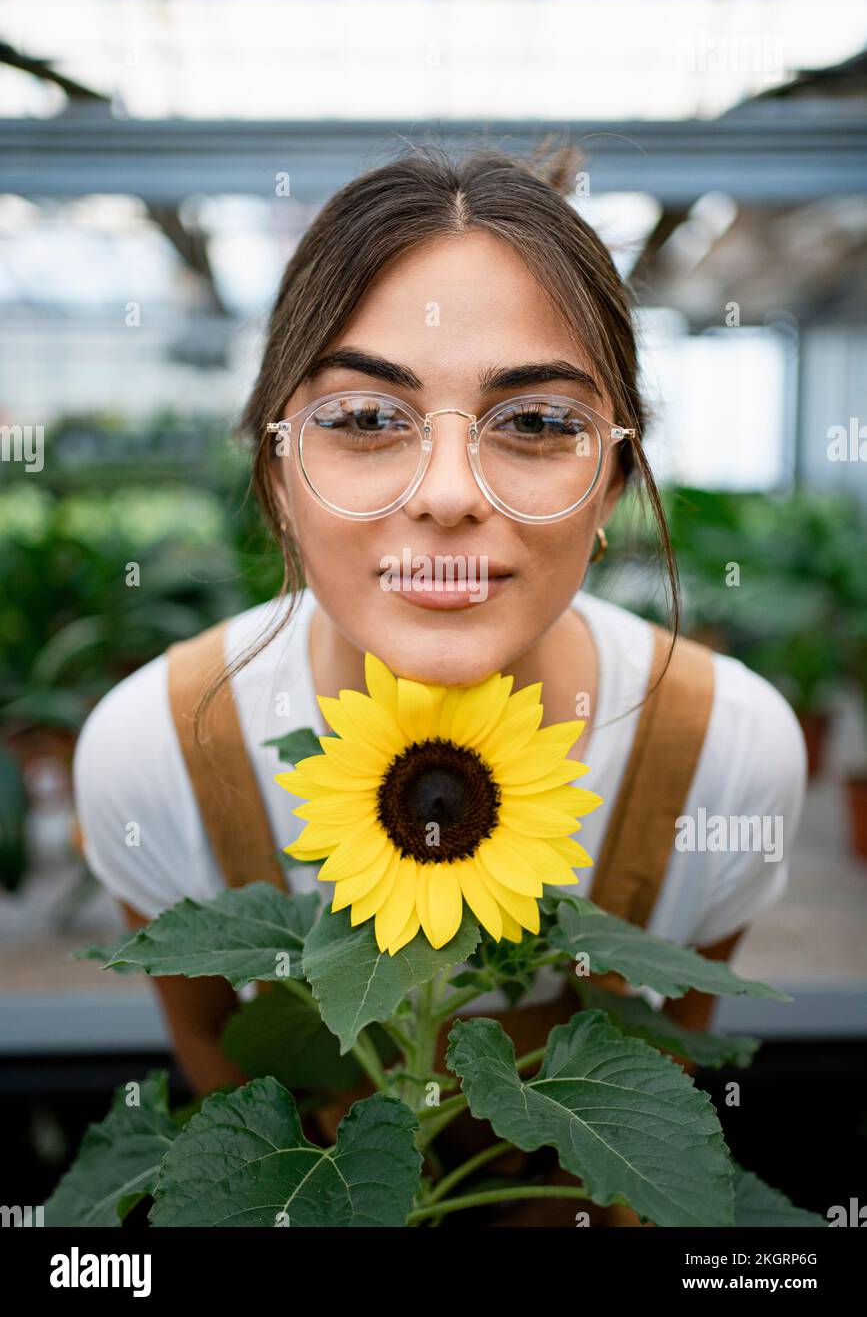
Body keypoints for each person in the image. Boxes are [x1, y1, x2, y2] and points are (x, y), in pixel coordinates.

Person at [73, 143, 807, 1224]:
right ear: (278, 468)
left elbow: (659, 1145)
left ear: (612, 477)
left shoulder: (727, 757)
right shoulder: (158, 751)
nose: (451, 493)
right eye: (368, 419)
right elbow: (218, 1096)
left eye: (539, 422)